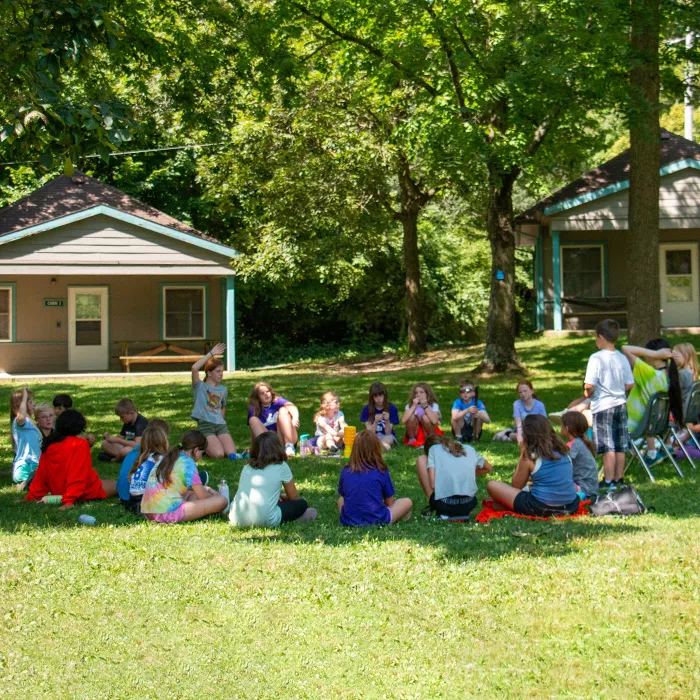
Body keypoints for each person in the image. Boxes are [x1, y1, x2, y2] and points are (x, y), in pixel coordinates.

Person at [578, 319, 634, 492]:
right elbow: (630, 384)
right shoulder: (622, 358)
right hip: (621, 404)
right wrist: (617, 389)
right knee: (620, 443)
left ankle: (608, 479)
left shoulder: (596, 358)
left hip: (603, 406)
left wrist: (587, 395)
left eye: (596, 337)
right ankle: (619, 478)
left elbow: (589, 384)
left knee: (607, 444)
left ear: (601, 337)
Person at [486, 414, 579, 517]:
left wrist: (522, 451)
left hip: (541, 506)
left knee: (492, 485)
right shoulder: (565, 453)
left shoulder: (530, 456)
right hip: (570, 506)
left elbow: (516, 485)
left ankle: (508, 506)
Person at [26, 410, 118, 508]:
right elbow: (78, 474)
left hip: (61, 491)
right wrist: (69, 500)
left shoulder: (50, 444)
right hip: (83, 491)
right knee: (120, 485)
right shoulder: (80, 444)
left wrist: (31, 496)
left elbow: (41, 475)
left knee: (109, 482)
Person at [229, 431, 317, 527]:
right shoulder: (281, 466)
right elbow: (294, 498)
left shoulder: (247, 467)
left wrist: (278, 496)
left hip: (236, 518)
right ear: (278, 447)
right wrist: (284, 497)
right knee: (302, 504)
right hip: (265, 519)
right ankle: (296, 518)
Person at [621, 339, 684, 471]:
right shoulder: (668, 377)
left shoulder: (649, 373)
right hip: (653, 425)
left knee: (589, 417)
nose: (646, 357)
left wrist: (654, 354)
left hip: (631, 423)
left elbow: (625, 348)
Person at [140, 430, 227, 524]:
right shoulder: (188, 463)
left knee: (190, 494)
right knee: (222, 501)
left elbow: (188, 489)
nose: (201, 457)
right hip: (167, 513)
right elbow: (203, 496)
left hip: (149, 512)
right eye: (202, 453)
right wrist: (213, 496)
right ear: (196, 450)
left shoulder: (168, 457)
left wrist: (207, 488)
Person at [337, 430, 412, 526]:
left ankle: (350, 519)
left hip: (349, 521)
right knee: (407, 502)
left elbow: (344, 496)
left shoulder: (346, 471)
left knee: (340, 500)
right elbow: (389, 503)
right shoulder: (381, 471)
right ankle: (397, 518)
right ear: (377, 449)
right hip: (378, 520)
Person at [416, 434, 492, 520]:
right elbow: (488, 467)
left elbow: (433, 484)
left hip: (444, 505)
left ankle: (433, 506)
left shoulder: (433, 450)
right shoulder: (467, 448)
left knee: (421, 459)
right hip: (469, 503)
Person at [191, 342, 241, 459]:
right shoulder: (200, 386)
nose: (221, 374)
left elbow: (223, 406)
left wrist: (220, 419)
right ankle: (202, 446)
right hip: (206, 426)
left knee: (232, 454)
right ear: (209, 373)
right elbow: (194, 368)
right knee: (219, 454)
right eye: (218, 371)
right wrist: (211, 354)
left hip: (220, 425)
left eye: (222, 371)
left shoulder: (223, 390)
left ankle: (212, 444)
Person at [117, 419, 170, 512]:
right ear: (162, 440)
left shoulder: (140, 454)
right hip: (143, 502)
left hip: (128, 499)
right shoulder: (158, 459)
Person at [247, 382, 300, 458]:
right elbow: (253, 431)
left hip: (283, 439)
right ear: (257, 397)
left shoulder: (277, 401)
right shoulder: (253, 409)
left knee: (283, 410)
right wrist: (253, 449)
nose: (266, 394)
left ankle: (289, 446)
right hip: (269, 442)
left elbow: (291, 406)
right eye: (262, 393)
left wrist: (295, 417)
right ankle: (266, 450)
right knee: (252, 420)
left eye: (267, 391)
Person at [561, 411, 599, 500]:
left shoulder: (575, 445)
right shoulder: (580, 442)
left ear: (566, 428)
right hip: (591, 487)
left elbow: (563, 464)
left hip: (585, 488)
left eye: (561, 425)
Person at [10, 386, 41, 490]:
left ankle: (31, 481)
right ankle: (26, 484)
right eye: (31, 402)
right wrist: (24, 396)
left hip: (34, 464)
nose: (34, 405)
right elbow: (21, 416)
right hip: (25, 467)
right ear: (21, 404)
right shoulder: (20, 422)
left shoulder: (30, 423)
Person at [360, 382, 400, 452]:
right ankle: (375, 447)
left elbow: (388, 432)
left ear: (385, 396)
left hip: (386, 436)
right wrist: (375, 422)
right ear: (372, 397)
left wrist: (387, 420)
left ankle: (379, 447)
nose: (378, 399)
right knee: (359, 436)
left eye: (381, 396)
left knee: (388, 439)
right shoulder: (367, 409)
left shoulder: (392, 408)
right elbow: (369, 432)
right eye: (376, 396)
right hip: (372, 436)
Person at [402, 382, 442, 446]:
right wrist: (414, 406)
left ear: (427, 394)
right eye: (416, 393)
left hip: (429, 430)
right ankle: (412, 440)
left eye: (421, 392)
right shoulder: (409, 406)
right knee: (411, 416)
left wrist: (425, 406)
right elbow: (403, 420)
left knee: (425, 417)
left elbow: (434, 421)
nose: (418, 395)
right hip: (415, 430)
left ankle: (429, 440)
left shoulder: (433, 405)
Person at [450, 378, 490, 443]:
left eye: (468, 391)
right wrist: (466, 410)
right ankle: (458, 437)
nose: (465, 393)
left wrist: (479, 413)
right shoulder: (458, 402)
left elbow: (488, 421)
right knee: (457, 415)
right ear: (460, 394)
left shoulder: (478, 403)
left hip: (474, 429)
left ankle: (475, 437)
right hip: (461, 429)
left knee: (478, 415)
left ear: (474, 393)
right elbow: (454, 417)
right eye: (462, 391)